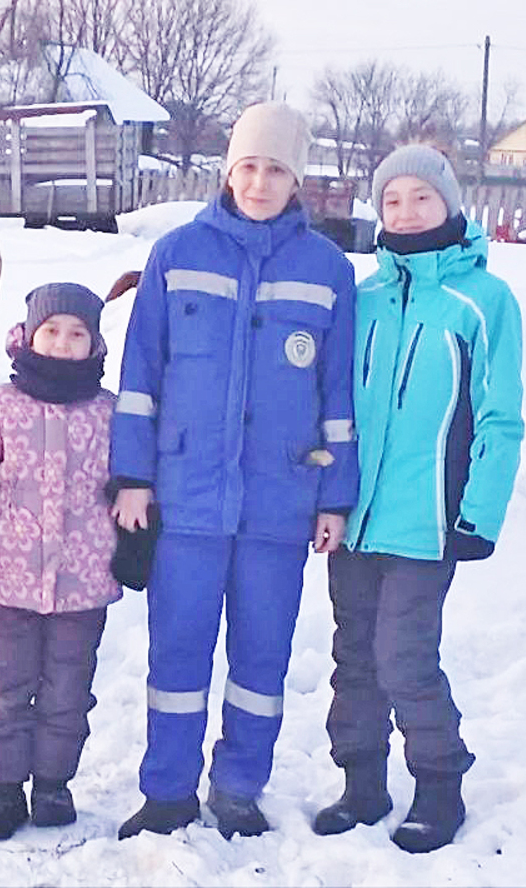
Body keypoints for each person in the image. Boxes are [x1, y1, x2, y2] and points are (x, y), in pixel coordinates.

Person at [110, 101, 360, 840]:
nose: (259, 181)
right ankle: (168, 791)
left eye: (276, 169)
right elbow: (140, 375)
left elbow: (337, 395)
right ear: (227, 171)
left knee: (261, 657)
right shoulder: (177, 254)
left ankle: (240, 786)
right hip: (186, 500)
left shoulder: (328, 271)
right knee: (178, 652)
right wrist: (132, 477)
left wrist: (334, 496)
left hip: (280, 505)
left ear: (297, 180)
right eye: (248, 166)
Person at [311, 144, 523, 853]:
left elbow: (499, 415)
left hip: (430, 524)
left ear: (449, 205)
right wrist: (324, 494)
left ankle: (439, 783)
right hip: (355, 519)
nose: (406, 211)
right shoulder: (363, 295)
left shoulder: (483, 301)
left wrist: (480, 513)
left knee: (404, 656)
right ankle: (362, 782)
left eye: (421, 198)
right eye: (392, 200)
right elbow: (332, 404)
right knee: (354, 655)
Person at [0, 282, 123, 841]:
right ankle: (4, 790)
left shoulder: (110, 413)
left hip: (84, 584)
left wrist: (138, 542)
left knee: (68, 688)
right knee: (7, 685)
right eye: (52, 331)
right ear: (30, 334)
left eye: (77, 333)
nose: (62, 343)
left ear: (95, 343)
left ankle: (54, 783)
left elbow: (132, 487)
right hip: (10, 581)